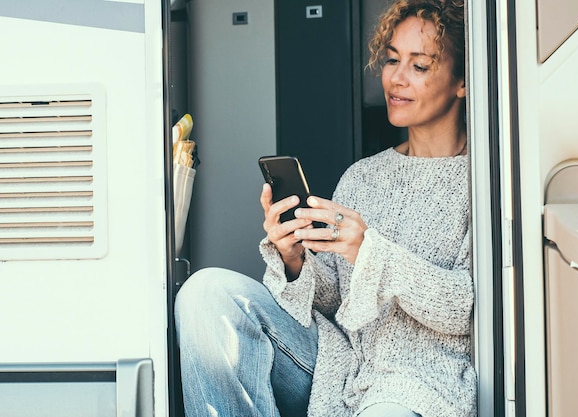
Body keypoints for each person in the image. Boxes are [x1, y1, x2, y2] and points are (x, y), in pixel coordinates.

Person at [175, 0, 477, 416]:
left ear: (462, 80)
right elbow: (335, 298)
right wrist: (294, 257)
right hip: (338, 367)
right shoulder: (363, 176)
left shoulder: (481, 181)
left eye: (419, 66)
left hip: (421, 382)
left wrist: (368, 249)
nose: (396, 78)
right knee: (205, 294)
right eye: (391, 61)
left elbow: (466, 309)